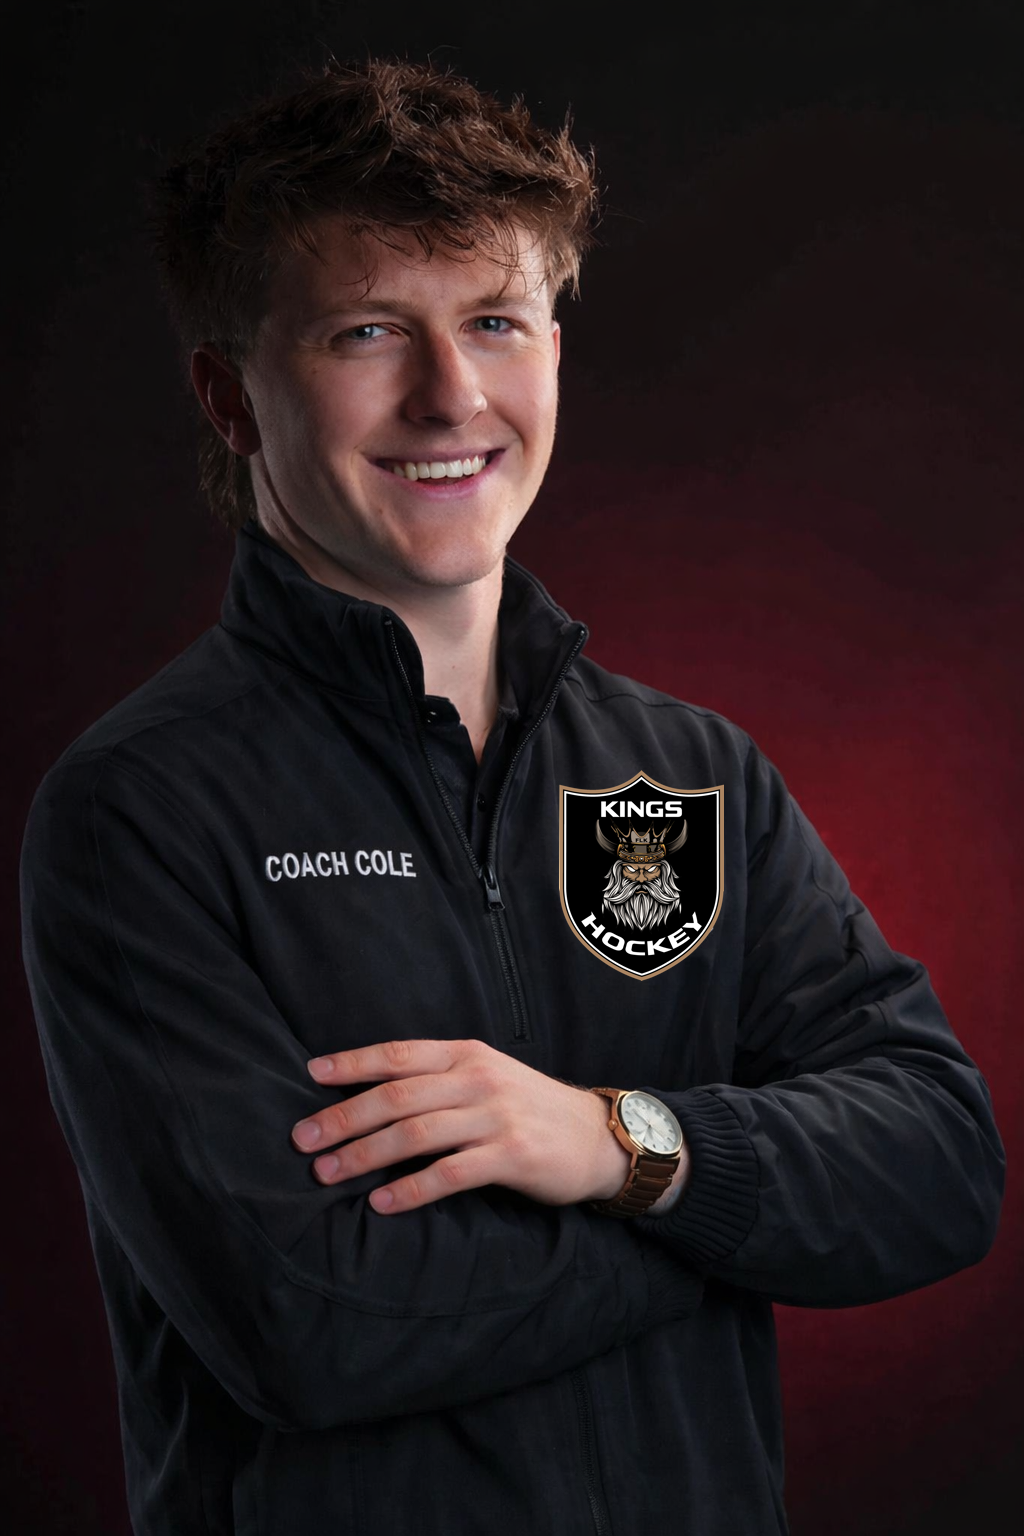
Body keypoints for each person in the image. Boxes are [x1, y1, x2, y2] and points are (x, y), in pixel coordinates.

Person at [19, 56, 1004, 1536]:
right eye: (368, 332)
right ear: (230, 396)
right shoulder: (143, 813)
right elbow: (315, 1324)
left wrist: (613, 1144)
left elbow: (939, 1163)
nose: (450, 396)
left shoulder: (694, 775)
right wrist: (727, 1219)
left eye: (495, 321)